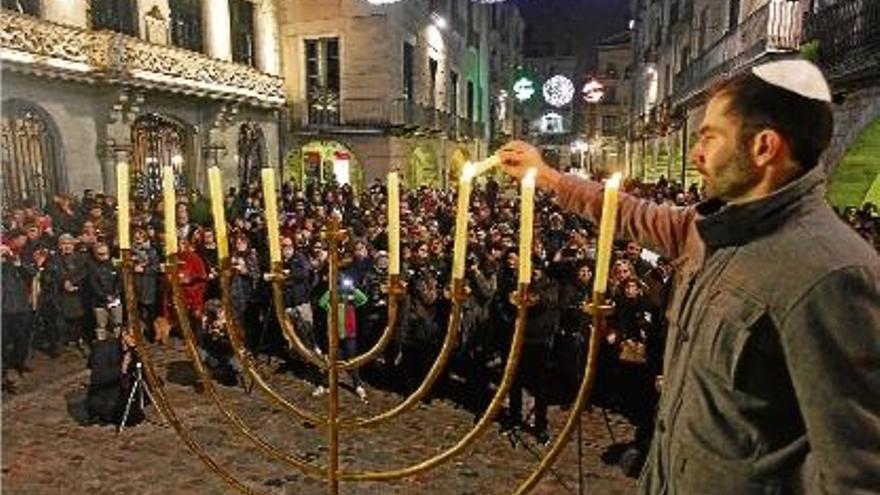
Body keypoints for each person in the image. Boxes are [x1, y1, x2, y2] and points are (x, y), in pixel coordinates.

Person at [497, 59, 880, 494]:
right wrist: (545, 176)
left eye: (709, 138)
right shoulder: (706, 229)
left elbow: (858, 473)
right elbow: (627, 213)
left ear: (764, 147)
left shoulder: (830, 274)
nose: (696, 155)